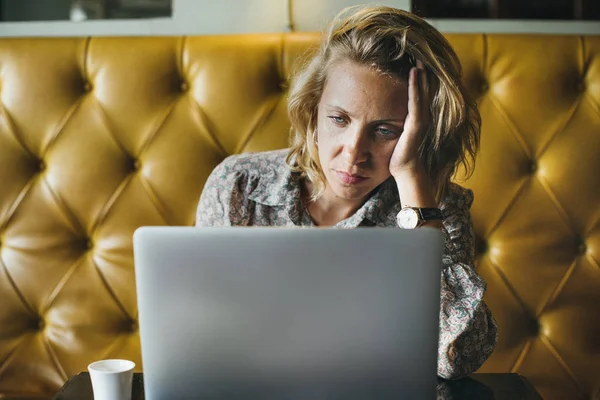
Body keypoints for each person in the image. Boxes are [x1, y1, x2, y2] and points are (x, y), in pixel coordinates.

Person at [196, 5, 497, 379]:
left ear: (420, 135)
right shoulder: (239, 187)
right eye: (339, 119)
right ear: (312, 110)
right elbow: (204, 336)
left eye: (386, 130)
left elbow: (456, 360)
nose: (353, 152)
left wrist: (412, 184)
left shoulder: (435, 209)